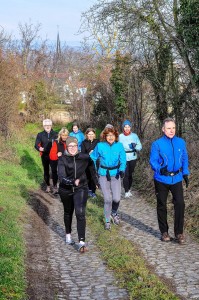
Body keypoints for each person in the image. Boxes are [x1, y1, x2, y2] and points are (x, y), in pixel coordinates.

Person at [149, 118, 190, 244]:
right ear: (163, 129)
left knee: (180, 204)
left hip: (176, 178)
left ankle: (179, 233)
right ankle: (164, 232)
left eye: (173, 128)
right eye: (168, 128)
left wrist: (185, 173)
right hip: (161, 179)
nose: (171, 130)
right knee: (162, 204)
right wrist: (159, 169)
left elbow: (184, 158)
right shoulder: (157, 144)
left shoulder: (180, 142)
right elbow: (153, 160)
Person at [58, 136, 92, 253]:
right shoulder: (62, 159)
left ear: (78, 146)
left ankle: (81, 241)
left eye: (74, 146)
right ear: (66, 147)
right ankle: (68, 236)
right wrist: (72, 182)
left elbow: (92, 166)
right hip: (66, 189)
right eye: (70, 146)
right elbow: (61, 177)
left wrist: (95, 181)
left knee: (80, 212)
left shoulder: (84, 157)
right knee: (68, 212)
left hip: (81, 188)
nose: (72, 148)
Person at [90, 126, 126, 230]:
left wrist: (122, 169)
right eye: (108, 135)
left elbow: (123, 159)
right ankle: (107, 220)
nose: (110, 137)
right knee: (107, 199)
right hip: (103, 174)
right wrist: (96, 172)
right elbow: (93, 158)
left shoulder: (119, 146)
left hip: (116, 174)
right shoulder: (100, 146)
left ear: (116, 136)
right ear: (105, 136)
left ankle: (114, 213)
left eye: (112, 135)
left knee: (116, 198)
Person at [119, 120, 142, 198]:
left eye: (128, 127)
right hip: (124, 157)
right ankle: (126, 191)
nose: (127, 128)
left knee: (130, 174)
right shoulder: (120, 136)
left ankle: (128, 189)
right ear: (123, 128)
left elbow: (140, 146)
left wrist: (135, 146)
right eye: (125, 127)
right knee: (126, 174)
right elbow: (117, 147)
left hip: (133, 156)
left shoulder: (134, 136)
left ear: (130, 127)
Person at [35, 119, 58, 192]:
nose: (47, 127)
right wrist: (39, 148)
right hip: (44, 155)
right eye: (45, 125)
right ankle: (48, 186)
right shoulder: (40, 134)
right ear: (43, 126)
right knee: (46, 171)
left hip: (54, 155)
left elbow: (59, 144)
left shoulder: (56, 134)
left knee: (54, 171)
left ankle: (54, 186)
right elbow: (36, 144)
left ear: (51, 125)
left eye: (49, 125)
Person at [49, 127, 69, 194]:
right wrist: (57, 154)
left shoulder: (70, 142)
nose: (64, 137)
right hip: (57, 160)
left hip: (67, 161)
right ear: (60, 135)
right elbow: (51, 154)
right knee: (55, 173)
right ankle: (55, 187)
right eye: (63, 135)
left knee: (67, 173)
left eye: (66, 135)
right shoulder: (56, 142)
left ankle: (65, 188)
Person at [81, 128, 99, 198]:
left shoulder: (97, 142)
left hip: (95, 162)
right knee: (88, 176)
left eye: (92, 134)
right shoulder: (84, 142)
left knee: (94, 176)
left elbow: (100, 151)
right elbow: (82, 154)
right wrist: (89, 154)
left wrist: (94, 153)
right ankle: (89, 190)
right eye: (89, 134)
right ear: (87, 135)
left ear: (94, 135)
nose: (91, 135)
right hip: (87, 162)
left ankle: (93, 191)